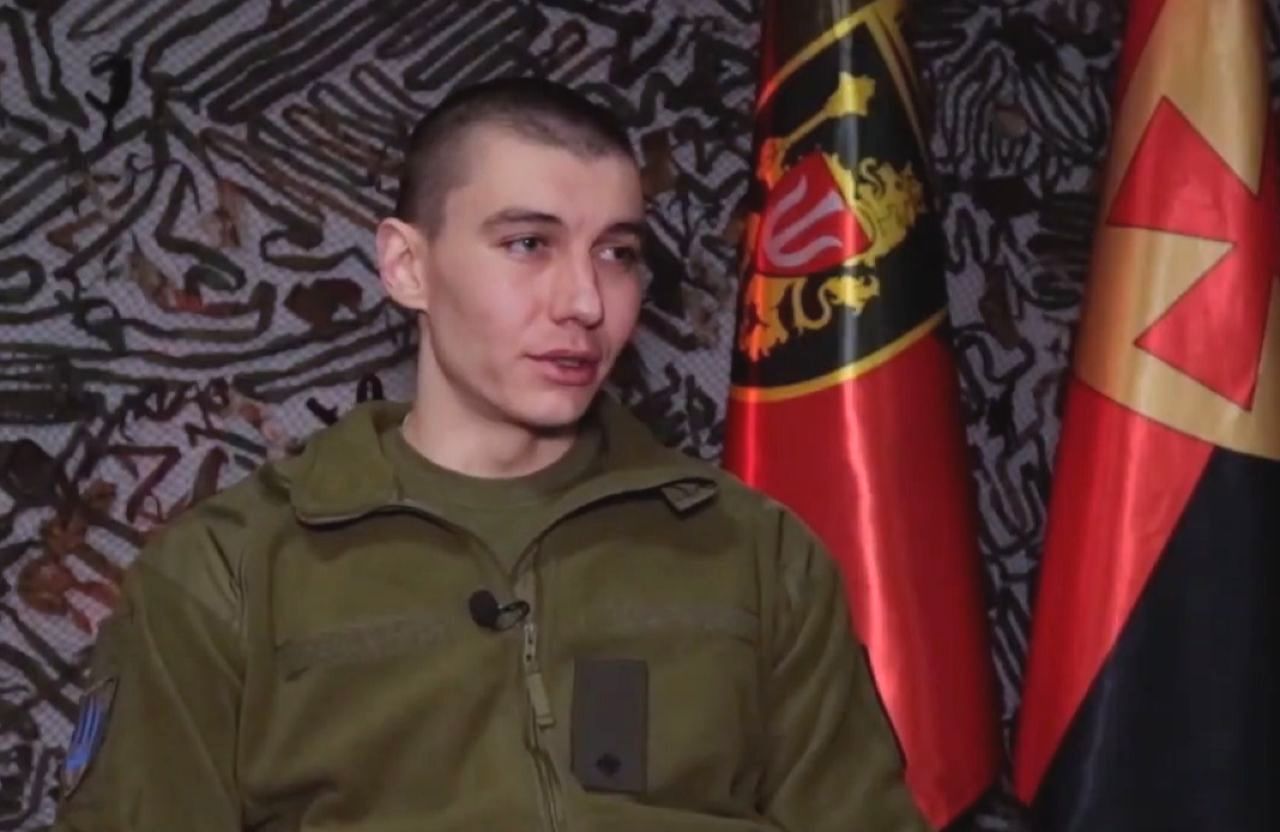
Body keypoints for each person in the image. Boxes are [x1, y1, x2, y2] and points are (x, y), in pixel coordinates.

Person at [52, 77, 929, 832]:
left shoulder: (756, 552)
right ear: (407, 266)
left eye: (617, 253)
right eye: (528, 244)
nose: (585, 301)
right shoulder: (229, 571)